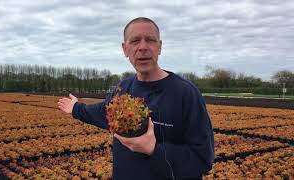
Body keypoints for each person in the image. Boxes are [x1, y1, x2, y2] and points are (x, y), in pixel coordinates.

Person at [58, 17, 214, 180]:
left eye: (150, 40)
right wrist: (75, 108)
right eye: (135, 41)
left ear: (159, 47)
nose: (143, 47)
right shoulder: (121, 89)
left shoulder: (186, 93)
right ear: (125, 49)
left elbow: (203, 159)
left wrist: (154, 149)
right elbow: (103, 112)